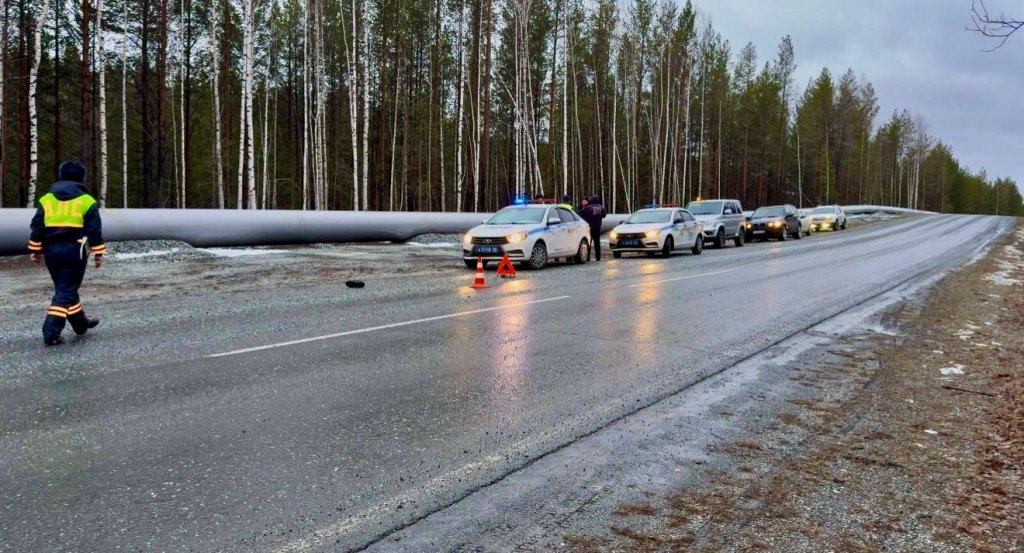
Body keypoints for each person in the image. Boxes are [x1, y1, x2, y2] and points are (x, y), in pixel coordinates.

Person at [28, 161, 106, 346]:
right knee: (65, 290)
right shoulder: (87, 201)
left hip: (52, 251)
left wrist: (35, 249)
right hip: (74, 251)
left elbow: (37, 226)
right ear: (81, 178)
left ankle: (80, 324)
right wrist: (98, 252)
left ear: (61, 176)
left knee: (65, 288)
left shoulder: (47, 199)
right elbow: (94, 230)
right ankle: (51, 332)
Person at [579, 195, 607, 261]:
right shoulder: (601, 207)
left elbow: (582, 214)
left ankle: (587, 257)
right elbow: (604, 215)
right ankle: (598, 257)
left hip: (589, 227)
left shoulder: (588, 207)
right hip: (598, 226)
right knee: (597, 243)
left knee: (589, 242)